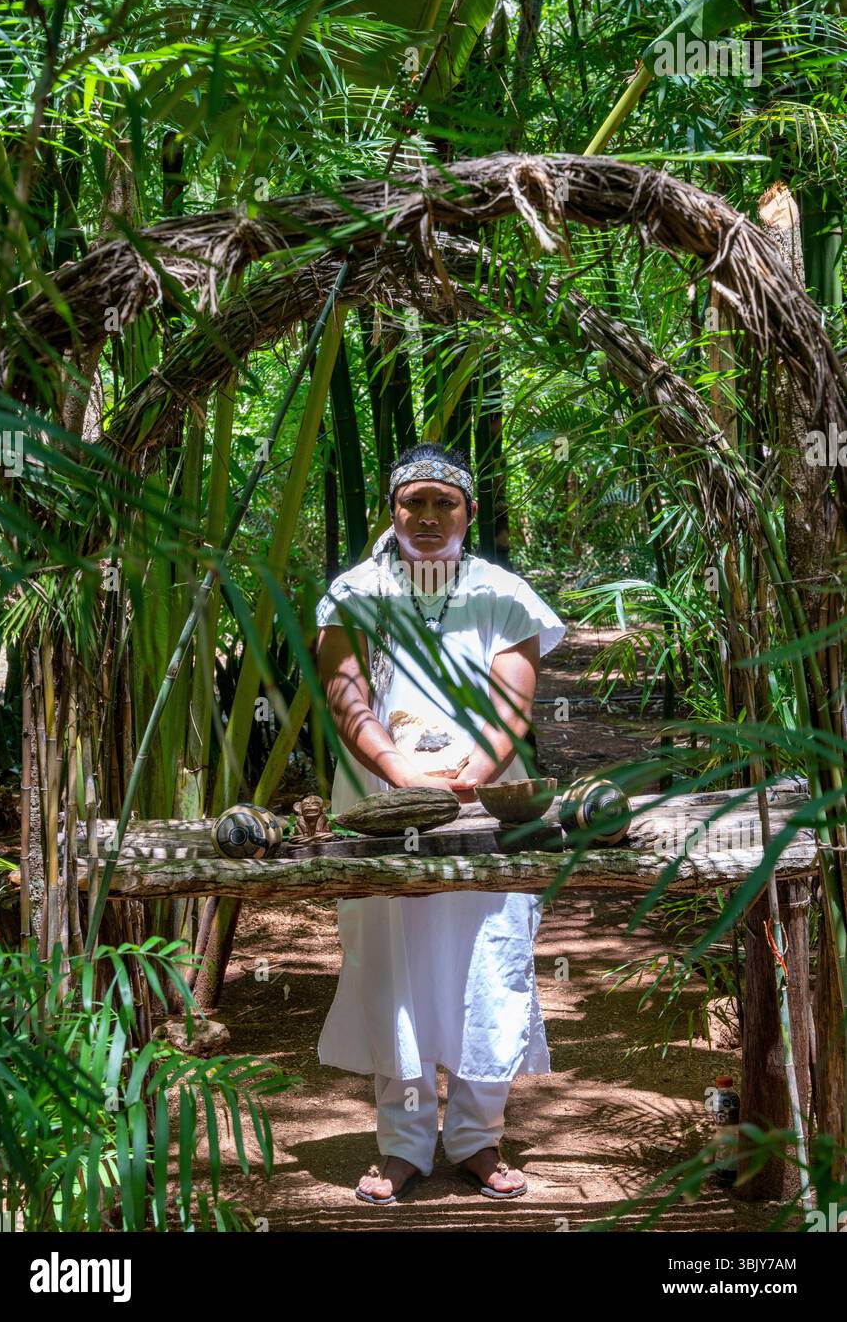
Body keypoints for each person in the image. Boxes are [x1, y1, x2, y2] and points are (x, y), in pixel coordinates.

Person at [314, 440, 566, 1204]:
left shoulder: (502, 593)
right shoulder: (353, 591)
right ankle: (403, 1146)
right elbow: (344, 692)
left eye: (442, 503)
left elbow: (510, 704)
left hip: (487, 806)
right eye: (412, 502)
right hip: (379, 804)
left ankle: (477, 1141)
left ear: (468, 512)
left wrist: (470, 781)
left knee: (488, 961)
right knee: (394, 967)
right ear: (390, 511)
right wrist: (402, 778)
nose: (427, 517)